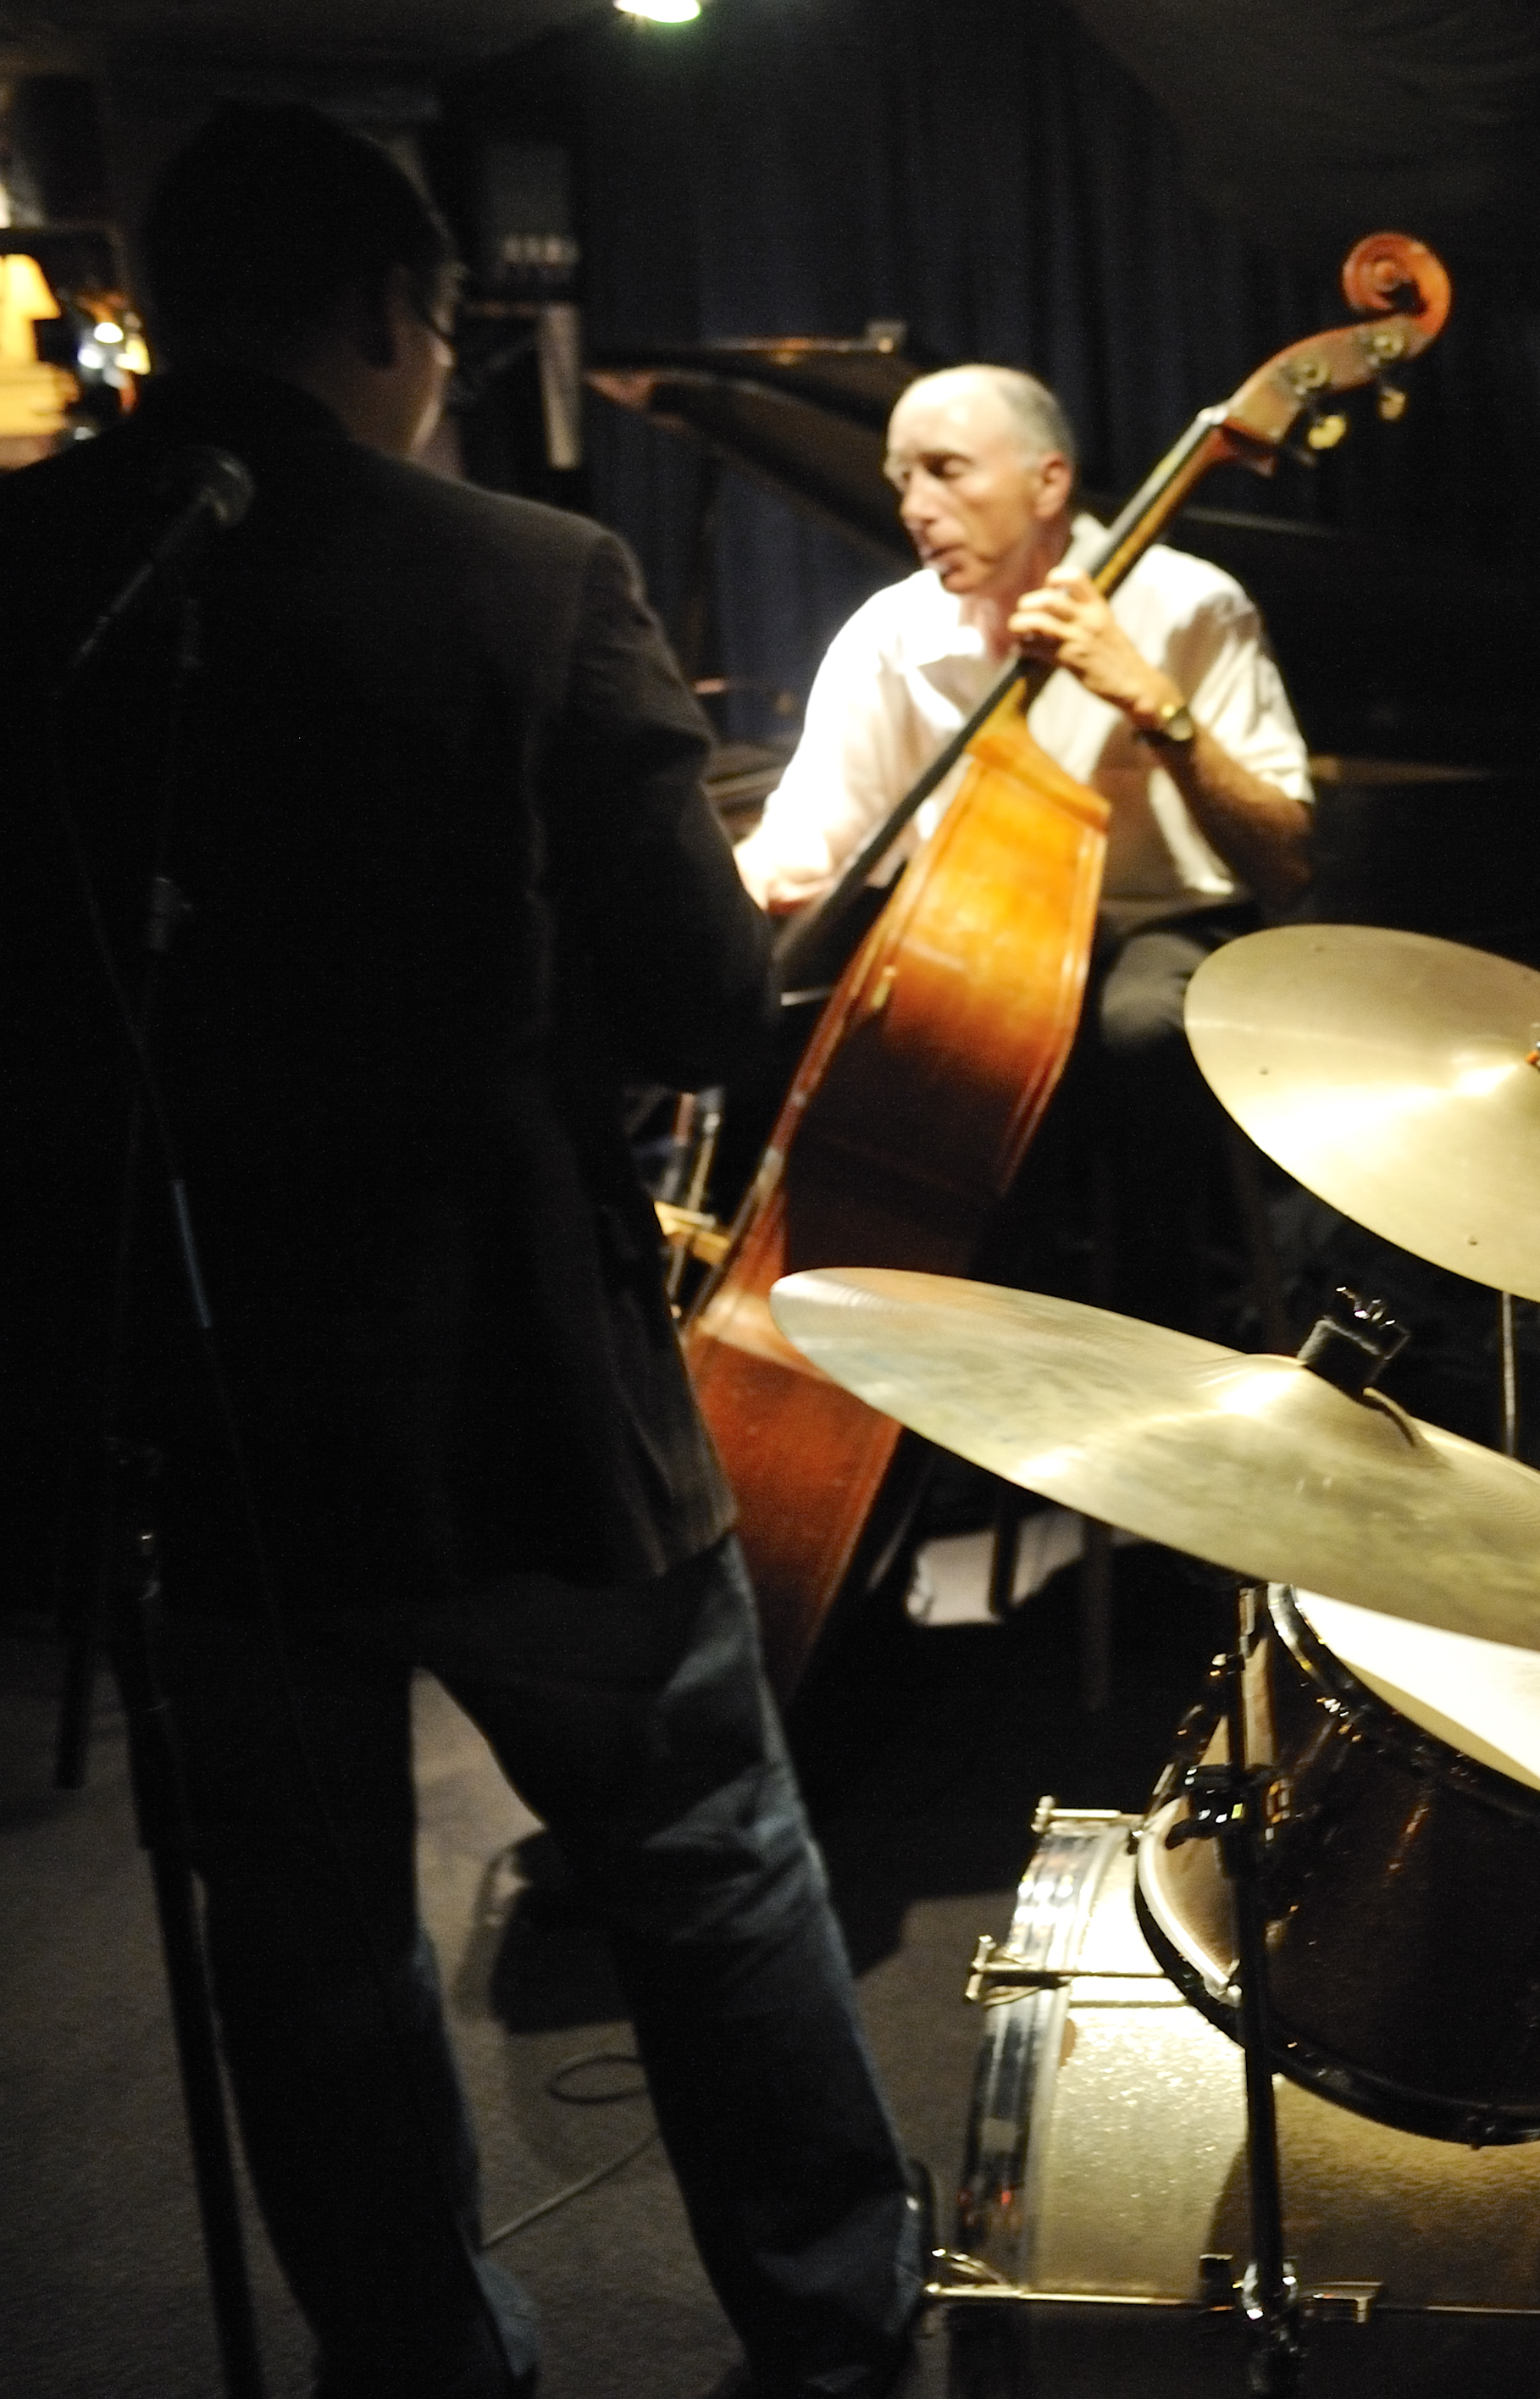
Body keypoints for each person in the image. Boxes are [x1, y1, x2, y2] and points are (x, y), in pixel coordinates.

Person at [3, 106, 917, 2398]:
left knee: (300, 1940)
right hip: (510, 1381)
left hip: (184, 1400)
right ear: (394, 315)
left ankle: (421, 2362)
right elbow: (705, 1003)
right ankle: (831, 2331)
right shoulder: (528, 576)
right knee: (706, 1860)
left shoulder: (32, 574)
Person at [728, 360, 1315, 1335]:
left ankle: (1166, 1323)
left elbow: (1284, 860)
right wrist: (725, 895)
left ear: (1047, 483)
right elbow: (812, 835)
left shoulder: (1190, 606)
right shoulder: (891, 634)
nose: (915, 507)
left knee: (1137, 1034)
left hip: (1156, 923)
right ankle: (920, 1333)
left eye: (944, 470)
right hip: (975, 938)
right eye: (902, 479)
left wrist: (1152, 703)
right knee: (816, 1023)